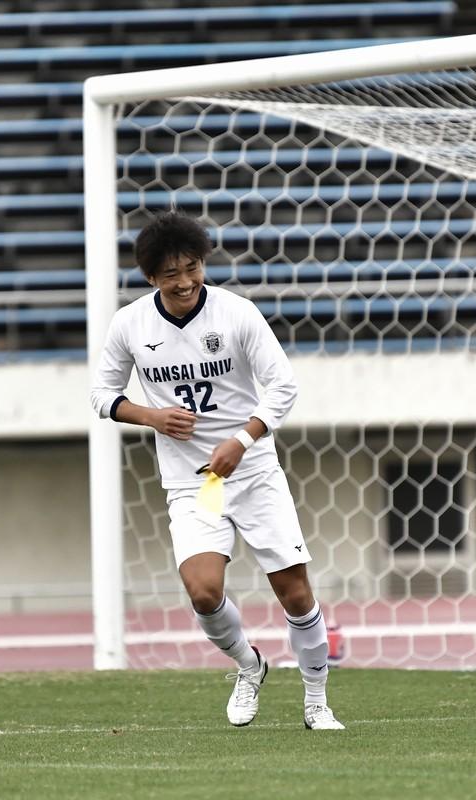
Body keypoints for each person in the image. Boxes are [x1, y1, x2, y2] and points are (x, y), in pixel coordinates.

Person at [90, 211, 344, 730]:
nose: (184, 282)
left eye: (192, 267)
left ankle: (317, 701)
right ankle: (250, 667)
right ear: (150, 278)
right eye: (170, 274)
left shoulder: (236, 313)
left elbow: (283, 387)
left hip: (252, 474)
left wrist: (242, 438)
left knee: (295, 592)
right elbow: (100, 395)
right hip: (195, 483)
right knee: (203, 592)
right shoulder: (130, 324)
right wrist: (150, 415)